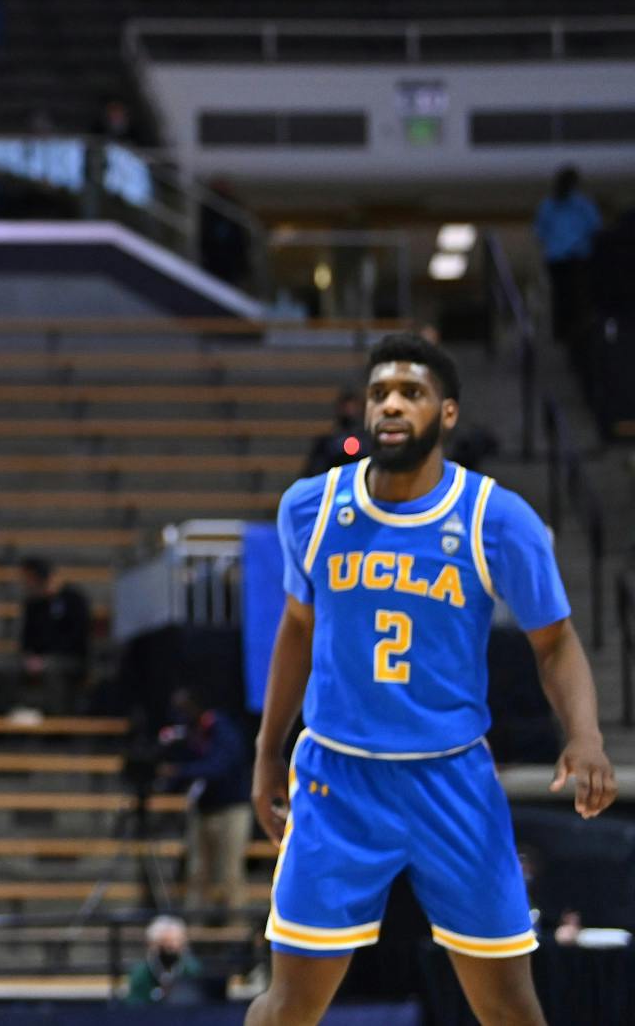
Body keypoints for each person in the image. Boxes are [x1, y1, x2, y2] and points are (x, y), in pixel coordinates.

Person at [246, 334, 617, 1026]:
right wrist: (268, 751)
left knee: (509, 1005)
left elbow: (557, 640)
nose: (390, 403)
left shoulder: (496, 518)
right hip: (338, 780)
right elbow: (296, 629)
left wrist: (587, 736)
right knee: (290, 1002)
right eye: (379, 391)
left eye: (411, 393)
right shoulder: (311, 507)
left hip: (451, 780)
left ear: (446, 413)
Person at [158, 686, 253, 917]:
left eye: (183, 707)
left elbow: (220, 766)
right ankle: (193, 932)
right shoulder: (187, 733)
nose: (179, 713)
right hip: (202, 810)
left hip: (231, 810)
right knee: (197, 873)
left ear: (196, 706)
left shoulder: (222, 729)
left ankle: (236, 935)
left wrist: (179, 771)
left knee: (230, 874)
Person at [534, 165, 600, 346]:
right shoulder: (574, 205)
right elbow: (594, 228)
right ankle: (568, 331)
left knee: (569, 296)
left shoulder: (577, 205)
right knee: (569, 296)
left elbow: (541, 233)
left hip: (568, 257)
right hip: (568, 258)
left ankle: (569, 331)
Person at [18, 556, 90, 713]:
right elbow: (26, 640)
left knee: (52, 671)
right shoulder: (33, 605)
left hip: (69, 659)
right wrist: (31, 658)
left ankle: (57, 726)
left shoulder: (74, 600)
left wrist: (45, 660)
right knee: (3, 670)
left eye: (28, 579)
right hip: (38, 661)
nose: (26, 584)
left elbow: (77, 638)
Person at [125, 915, 205, 1005]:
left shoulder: (191, 970)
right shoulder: (142, 973)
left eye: (178, 943)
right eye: (167, 945)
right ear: (154, 944)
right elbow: (134, 1005)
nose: (173, 949)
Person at [301, 389, 367, 478]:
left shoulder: (371, 443)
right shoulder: (325, 444)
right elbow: (313, 474)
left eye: (354, 407)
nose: (350, 411)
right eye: (346, 407)